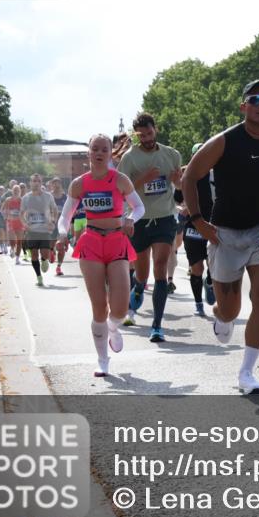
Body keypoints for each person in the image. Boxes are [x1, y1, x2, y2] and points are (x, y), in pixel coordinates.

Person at [182, 79, 259, 395]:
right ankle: (221, 316)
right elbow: (189, 176)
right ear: (244, 106)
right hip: (225, 234)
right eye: (255, 99)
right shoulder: (225, 141)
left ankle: (247, 373)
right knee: (230, 310)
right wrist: (198, 220)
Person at [57, 133, 146, 377]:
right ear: (89, 152)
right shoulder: (79, 184)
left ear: (110, 154)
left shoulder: (120, 180)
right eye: (95, 149)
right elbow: (65, 216)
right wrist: (62, 234)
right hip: (91, 243)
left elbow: (139, 207)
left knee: (119, 309)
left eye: (104, 149)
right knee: (98, 306)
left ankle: (113, 328)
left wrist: (130, 218)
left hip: (117, 241)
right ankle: (103, 360)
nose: (99, 153)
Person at [117, 113, 182, 343]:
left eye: (149, 133)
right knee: (142, 274)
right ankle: (137, 288)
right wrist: (143, 179)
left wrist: (177, 181)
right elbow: (121, 191)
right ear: (137, 135)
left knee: (160, 266)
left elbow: (180, 186)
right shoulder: (129, 158)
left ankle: (157, 325)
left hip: (165, 218)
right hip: (140, 220)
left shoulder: (171, 154)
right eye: (142, 135)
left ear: (156, 129)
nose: (146, 138)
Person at [174, 143, 217, 317]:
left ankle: (210, 281)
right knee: (197, 268)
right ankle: (198, 303)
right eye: (197, 155)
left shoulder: (216, 174)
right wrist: (182, 208)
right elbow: (176, 201)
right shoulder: (186, 175)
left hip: (213, 225)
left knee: (213, 265)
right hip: (192, 226)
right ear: (193, 157)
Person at [20, 174, 59, 287]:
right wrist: (24, 224)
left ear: (41, 183)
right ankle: (39, 277)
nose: (36, 183)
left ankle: (45, 259)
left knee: (45, 253)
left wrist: (53, 221)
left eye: (38, 181)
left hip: (45, 230)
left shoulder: (48, 196)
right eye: (34, 181)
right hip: (32, 231)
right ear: (30, 183)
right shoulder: (26, 198)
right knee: (34, 255)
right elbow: (21, 214)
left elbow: (55, 209)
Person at [49, 178, 68, 275]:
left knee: (61, 246)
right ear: (52, 185)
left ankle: (59, 267)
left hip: (62, 224)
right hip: (51, 223)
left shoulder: (65, 197)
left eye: (58, 183)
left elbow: (70, 210)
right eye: (54, 184)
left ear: (61, 184)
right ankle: (51, 251)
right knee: (51, 244)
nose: (56, 185)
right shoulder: (49, 196)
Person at [3, 185, 25, 263]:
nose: (16, 192)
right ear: (12, 191)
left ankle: (17, 258)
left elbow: (25, 211)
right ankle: (12, 248)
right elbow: (3, 210)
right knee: (12, 238)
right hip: (11, 222)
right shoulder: (8, 200)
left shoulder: (22, 200)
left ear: (20, 192)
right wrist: (7, 215)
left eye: (17, 190)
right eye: (14, 190)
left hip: (20, 222)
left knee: (19, 241)